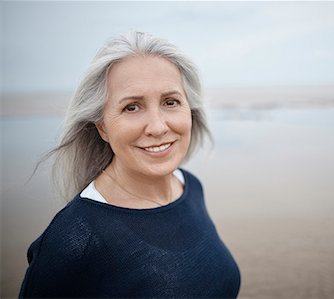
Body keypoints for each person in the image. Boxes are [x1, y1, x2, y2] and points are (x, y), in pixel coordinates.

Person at [19, 31, 241, 298]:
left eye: (171, 102)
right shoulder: (74, 239)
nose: (158, 127)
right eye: (132, 107)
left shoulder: (190, 187)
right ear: (102, 126)